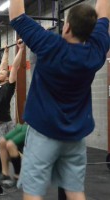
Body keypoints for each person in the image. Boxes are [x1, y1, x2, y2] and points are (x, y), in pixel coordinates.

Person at [9, 1, 110, 200]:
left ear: (67, 27)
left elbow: (16, 16)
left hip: (43, 133)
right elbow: (104, 15)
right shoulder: (96, 51)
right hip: (75, 136)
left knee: (33, 191)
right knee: (74, 191)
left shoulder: (50, 44)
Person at [0, 39, 24, 185]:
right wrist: (6, 52)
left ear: (7, 76)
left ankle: (17, 173)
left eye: (2, 73)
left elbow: (14, 67)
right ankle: (6, 174)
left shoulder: (8, 86)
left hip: (6, 124)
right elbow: (3, 65)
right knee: (2, 151)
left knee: (11, 149)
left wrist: (21, 49)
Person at [0, 123, 28, 188]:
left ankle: (17, 176)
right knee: (1, 141)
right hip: (23, 125)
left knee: (10, 144)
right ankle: (5, 173)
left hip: (32, 128)